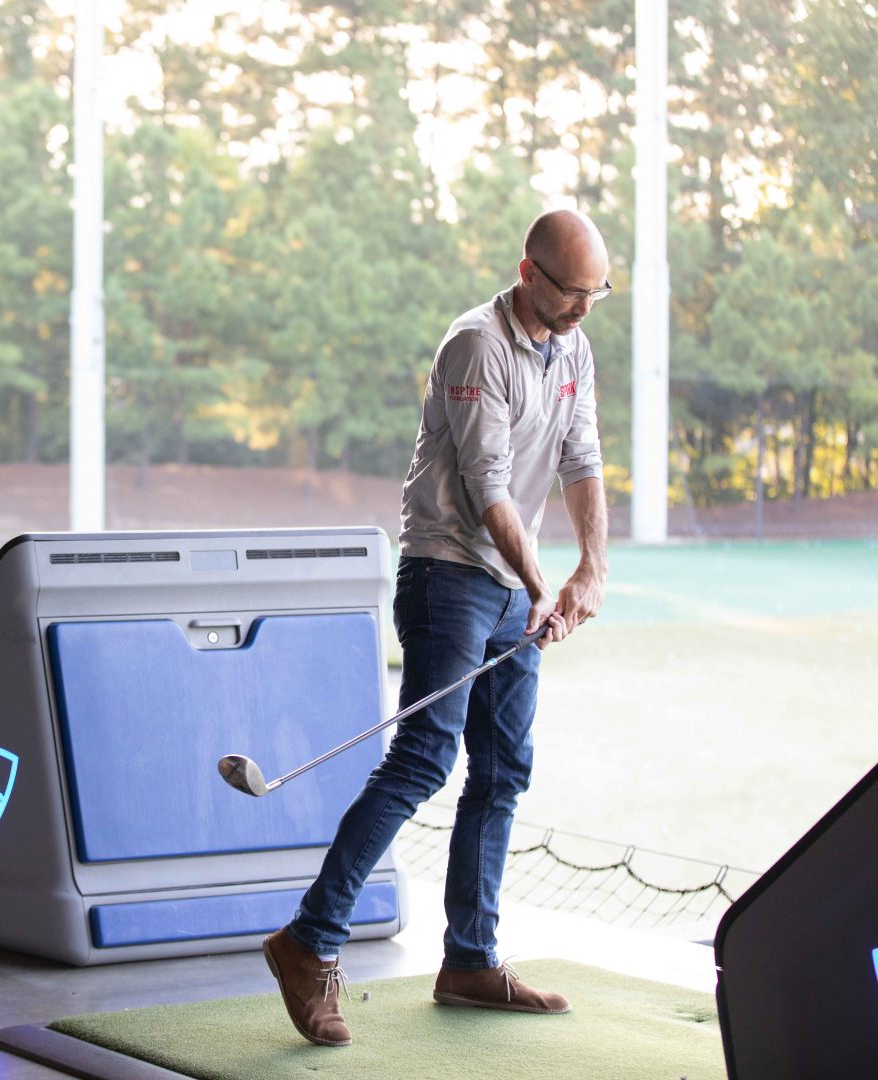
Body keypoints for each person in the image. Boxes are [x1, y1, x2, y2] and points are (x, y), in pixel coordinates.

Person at [263, 209, 611, 1046]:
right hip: (448, 575)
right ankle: (308, 942)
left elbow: (582, 460)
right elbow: (490, 486)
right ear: (528, 273)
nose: (583, 309)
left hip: (511, 586)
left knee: (502, 772)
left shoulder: (573, 348)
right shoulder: (475, 345)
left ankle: (470, 962)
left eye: (597, 294)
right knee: (423, 759)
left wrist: (591, 569)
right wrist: (542, 583)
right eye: (571, 292)